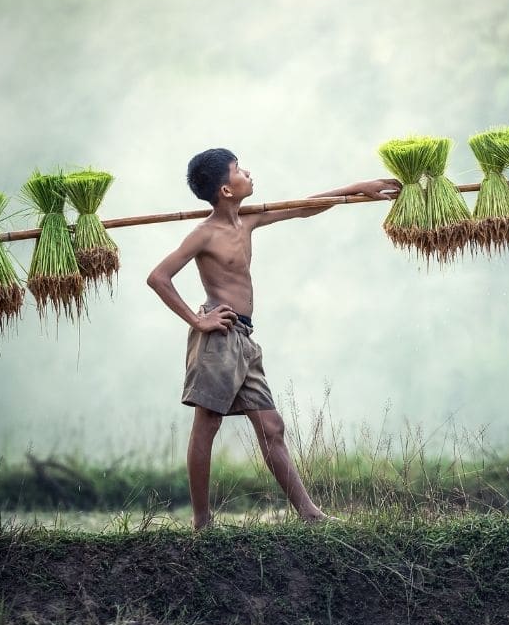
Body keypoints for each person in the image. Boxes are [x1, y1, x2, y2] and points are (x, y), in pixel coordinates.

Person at [146, 148, 400, 529]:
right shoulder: (204, 235)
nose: (247, 173)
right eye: (238, 170)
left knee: (271, 427)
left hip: (244, 338)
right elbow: (158, 278)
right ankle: (202, 522)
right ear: (226, 190)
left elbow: (304, 206)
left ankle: (309, 514)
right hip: (219, 336)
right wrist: (199, 322)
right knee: (208, 423)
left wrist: (360, 188)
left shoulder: (246, 220)